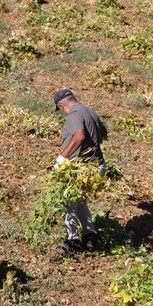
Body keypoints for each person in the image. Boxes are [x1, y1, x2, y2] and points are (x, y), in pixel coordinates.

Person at [53, 88, 107, 253]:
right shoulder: (89, 111)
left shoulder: (74, 115)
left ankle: (73, 241)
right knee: (80, 201)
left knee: (66, 201)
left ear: (62, 106)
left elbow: (79, 136)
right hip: (97, 165)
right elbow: (103, 133)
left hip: (82, 168)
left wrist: (62, 158)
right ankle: (91, 238)